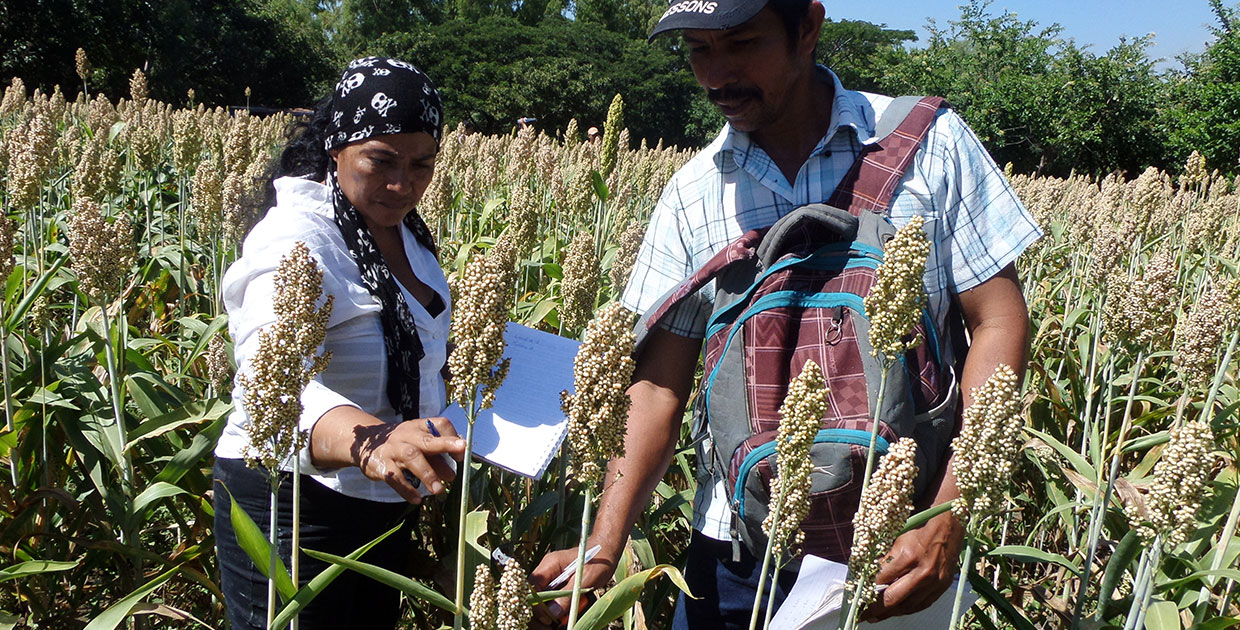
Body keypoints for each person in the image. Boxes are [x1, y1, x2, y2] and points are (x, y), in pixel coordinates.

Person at [530, 1, 1041, 628]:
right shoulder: (694, 192)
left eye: (741, 43)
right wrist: (606, 538)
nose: (717, 74)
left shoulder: (929, 145)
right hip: (737, 548)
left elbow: (998, 321)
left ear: (807, 29)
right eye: (698, 50)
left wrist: (950, 513)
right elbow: (660, 385)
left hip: (901, 543)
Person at [213, 56, 466, 630]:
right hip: (293, 499)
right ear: (337, 149)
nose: (403, 184)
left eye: (422, 165)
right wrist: (373, 443)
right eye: (380, 161)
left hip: (385, 496)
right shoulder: (295, 240)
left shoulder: (405, 233)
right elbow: (269, 385)